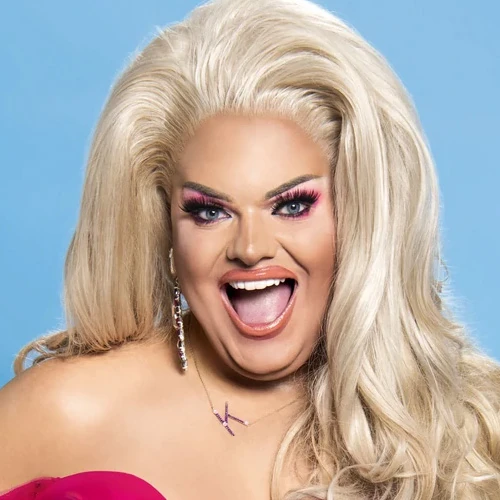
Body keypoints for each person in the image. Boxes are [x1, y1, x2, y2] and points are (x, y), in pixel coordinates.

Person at [1, 0, 499, 498]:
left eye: (292, 205)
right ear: (167, 230)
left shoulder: (471, 429)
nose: (251, 247)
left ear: (360, 214)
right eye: (209, 212)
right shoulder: (63, 411)